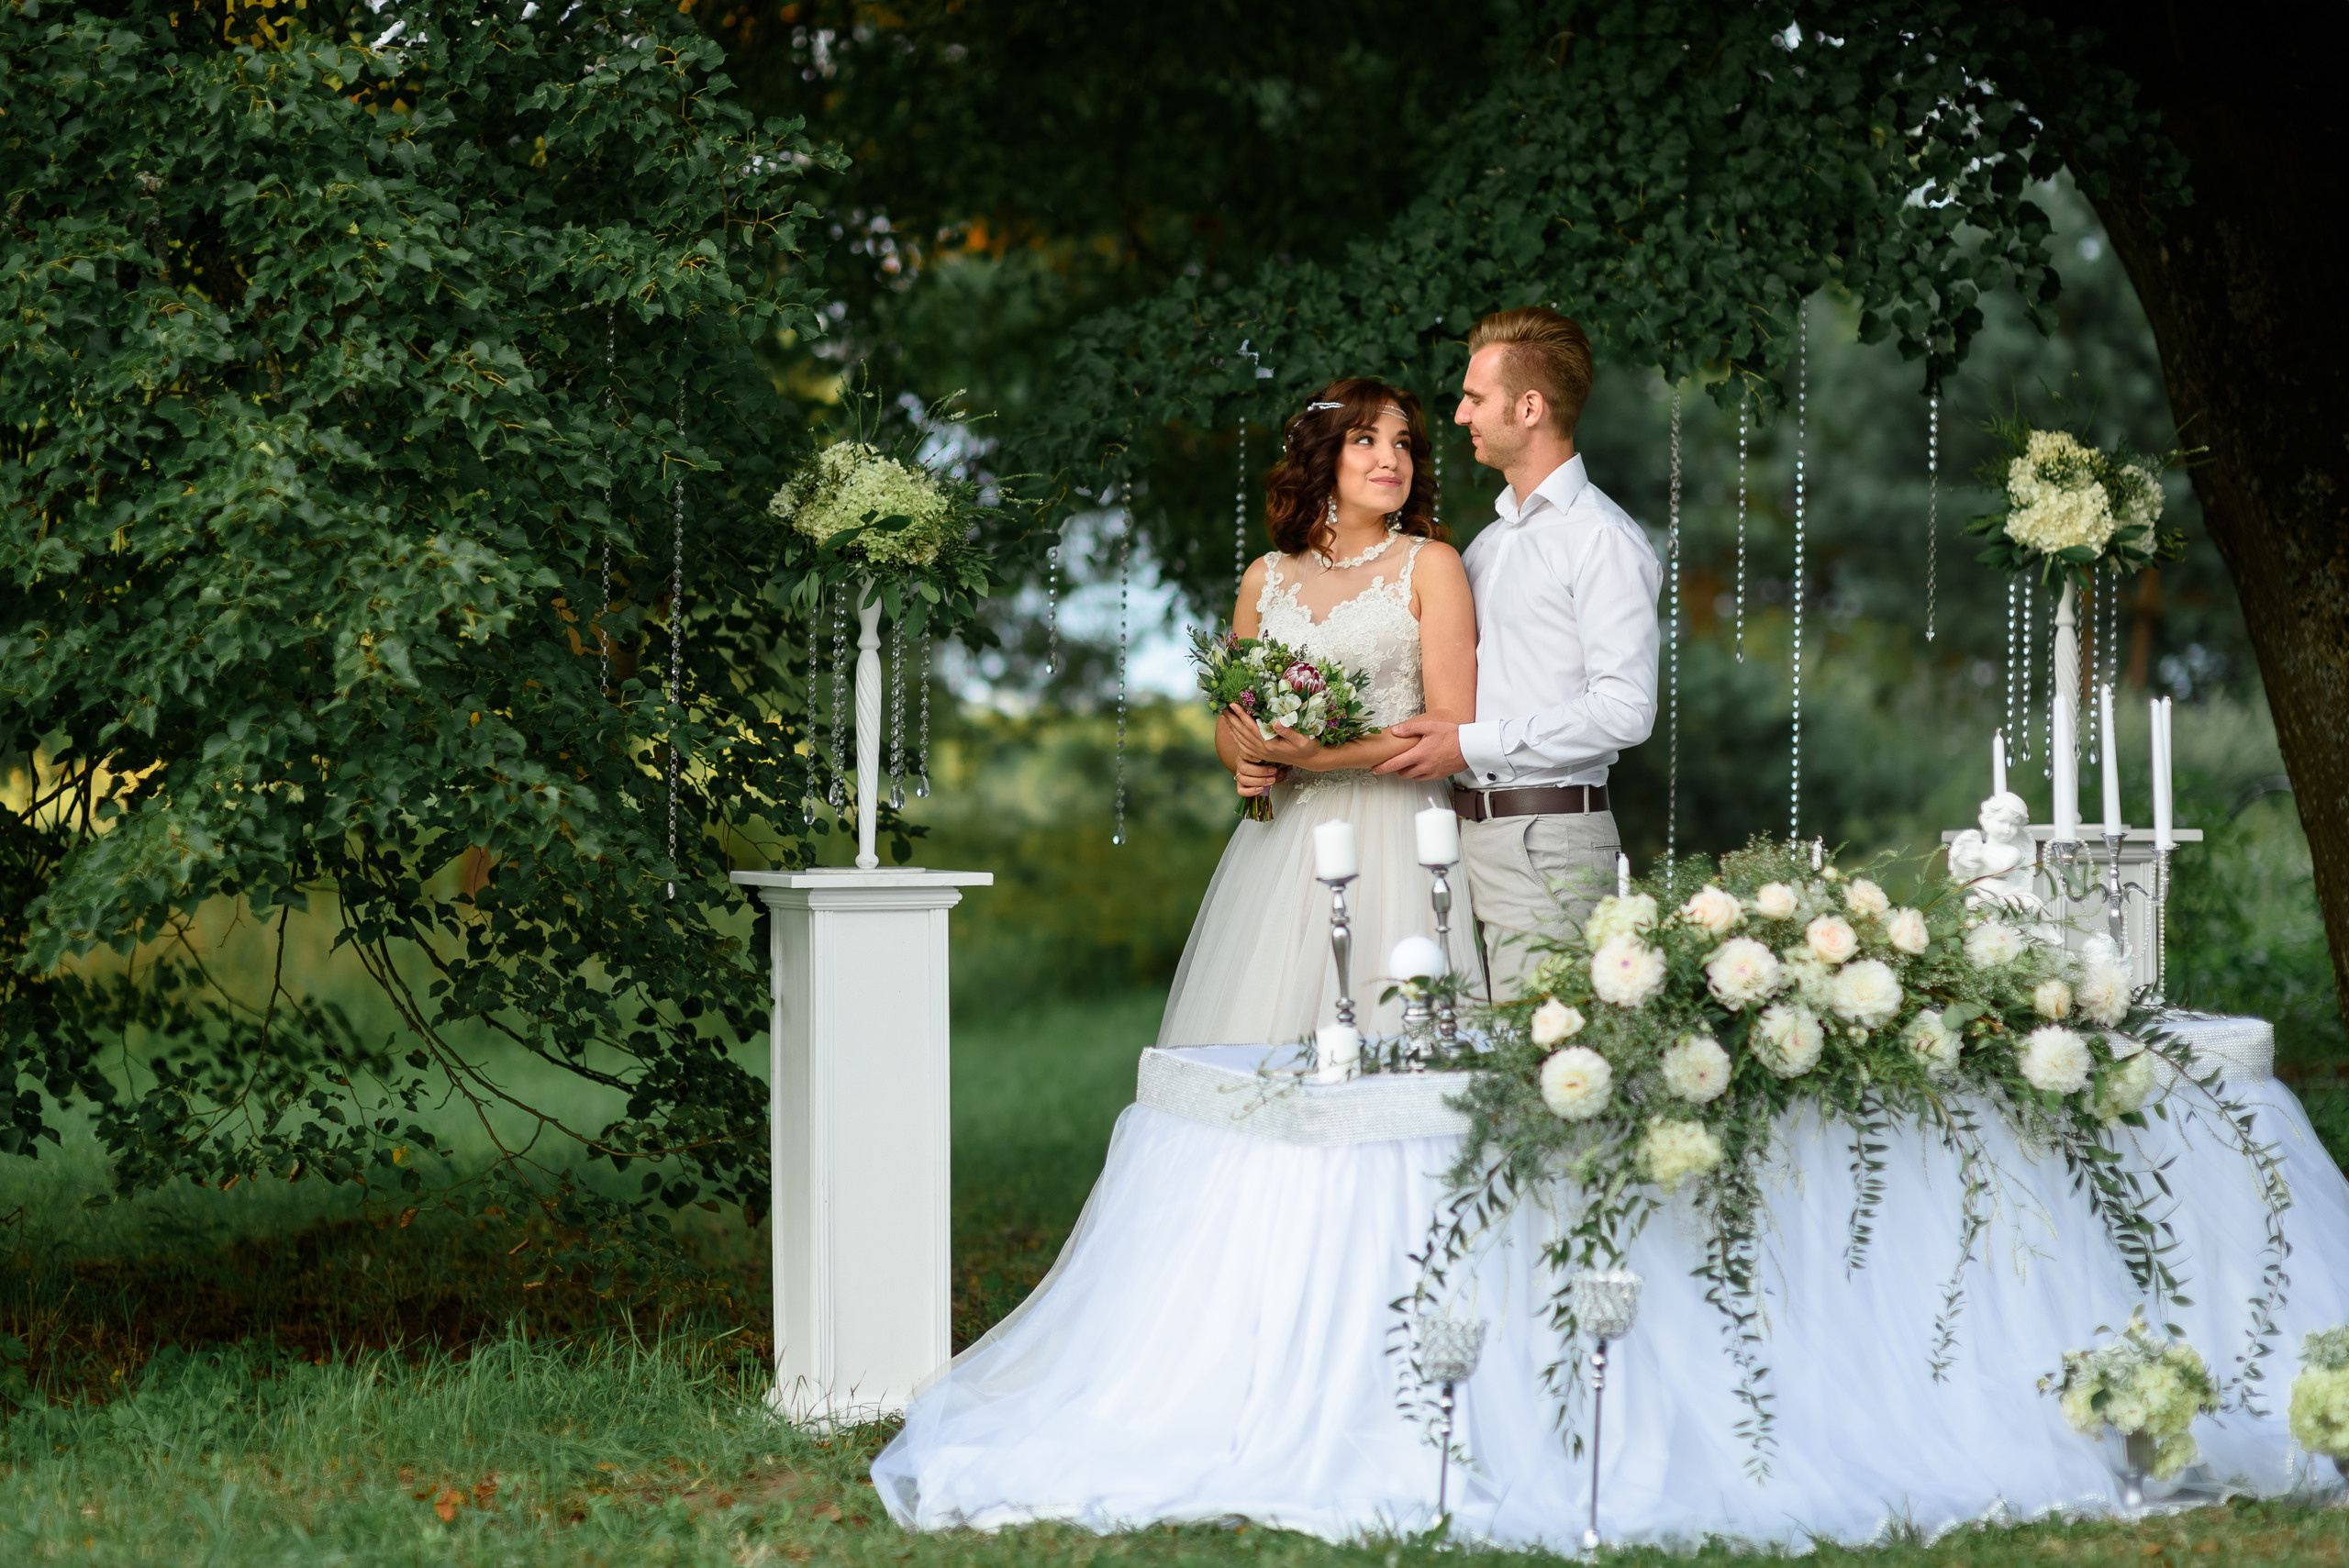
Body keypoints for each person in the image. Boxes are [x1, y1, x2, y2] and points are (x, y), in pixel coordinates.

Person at [1155, 379, 1478, 1047]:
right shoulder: (1265, 577)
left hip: (1397, 832)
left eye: (1402, 444)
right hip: (1281, 845)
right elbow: (1230, 719)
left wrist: (1322, 756)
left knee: (1389, 1028)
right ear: (1323, 457)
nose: (1391, 458)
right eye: (1366, 439)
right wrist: (1244, 759)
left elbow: (1451, 721)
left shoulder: (1431, 565)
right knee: (1262, 1028)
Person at [1379, 307, 1661, 1001]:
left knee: (1544, 1070)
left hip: (1550, 840)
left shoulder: (1602, 539)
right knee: (1464, 1065)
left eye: (1474, 397)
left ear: (1529, 406)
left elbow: (1627, 710)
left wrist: (1473, 744)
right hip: (1460, 838)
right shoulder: (1487, 544)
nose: (1458, 414)